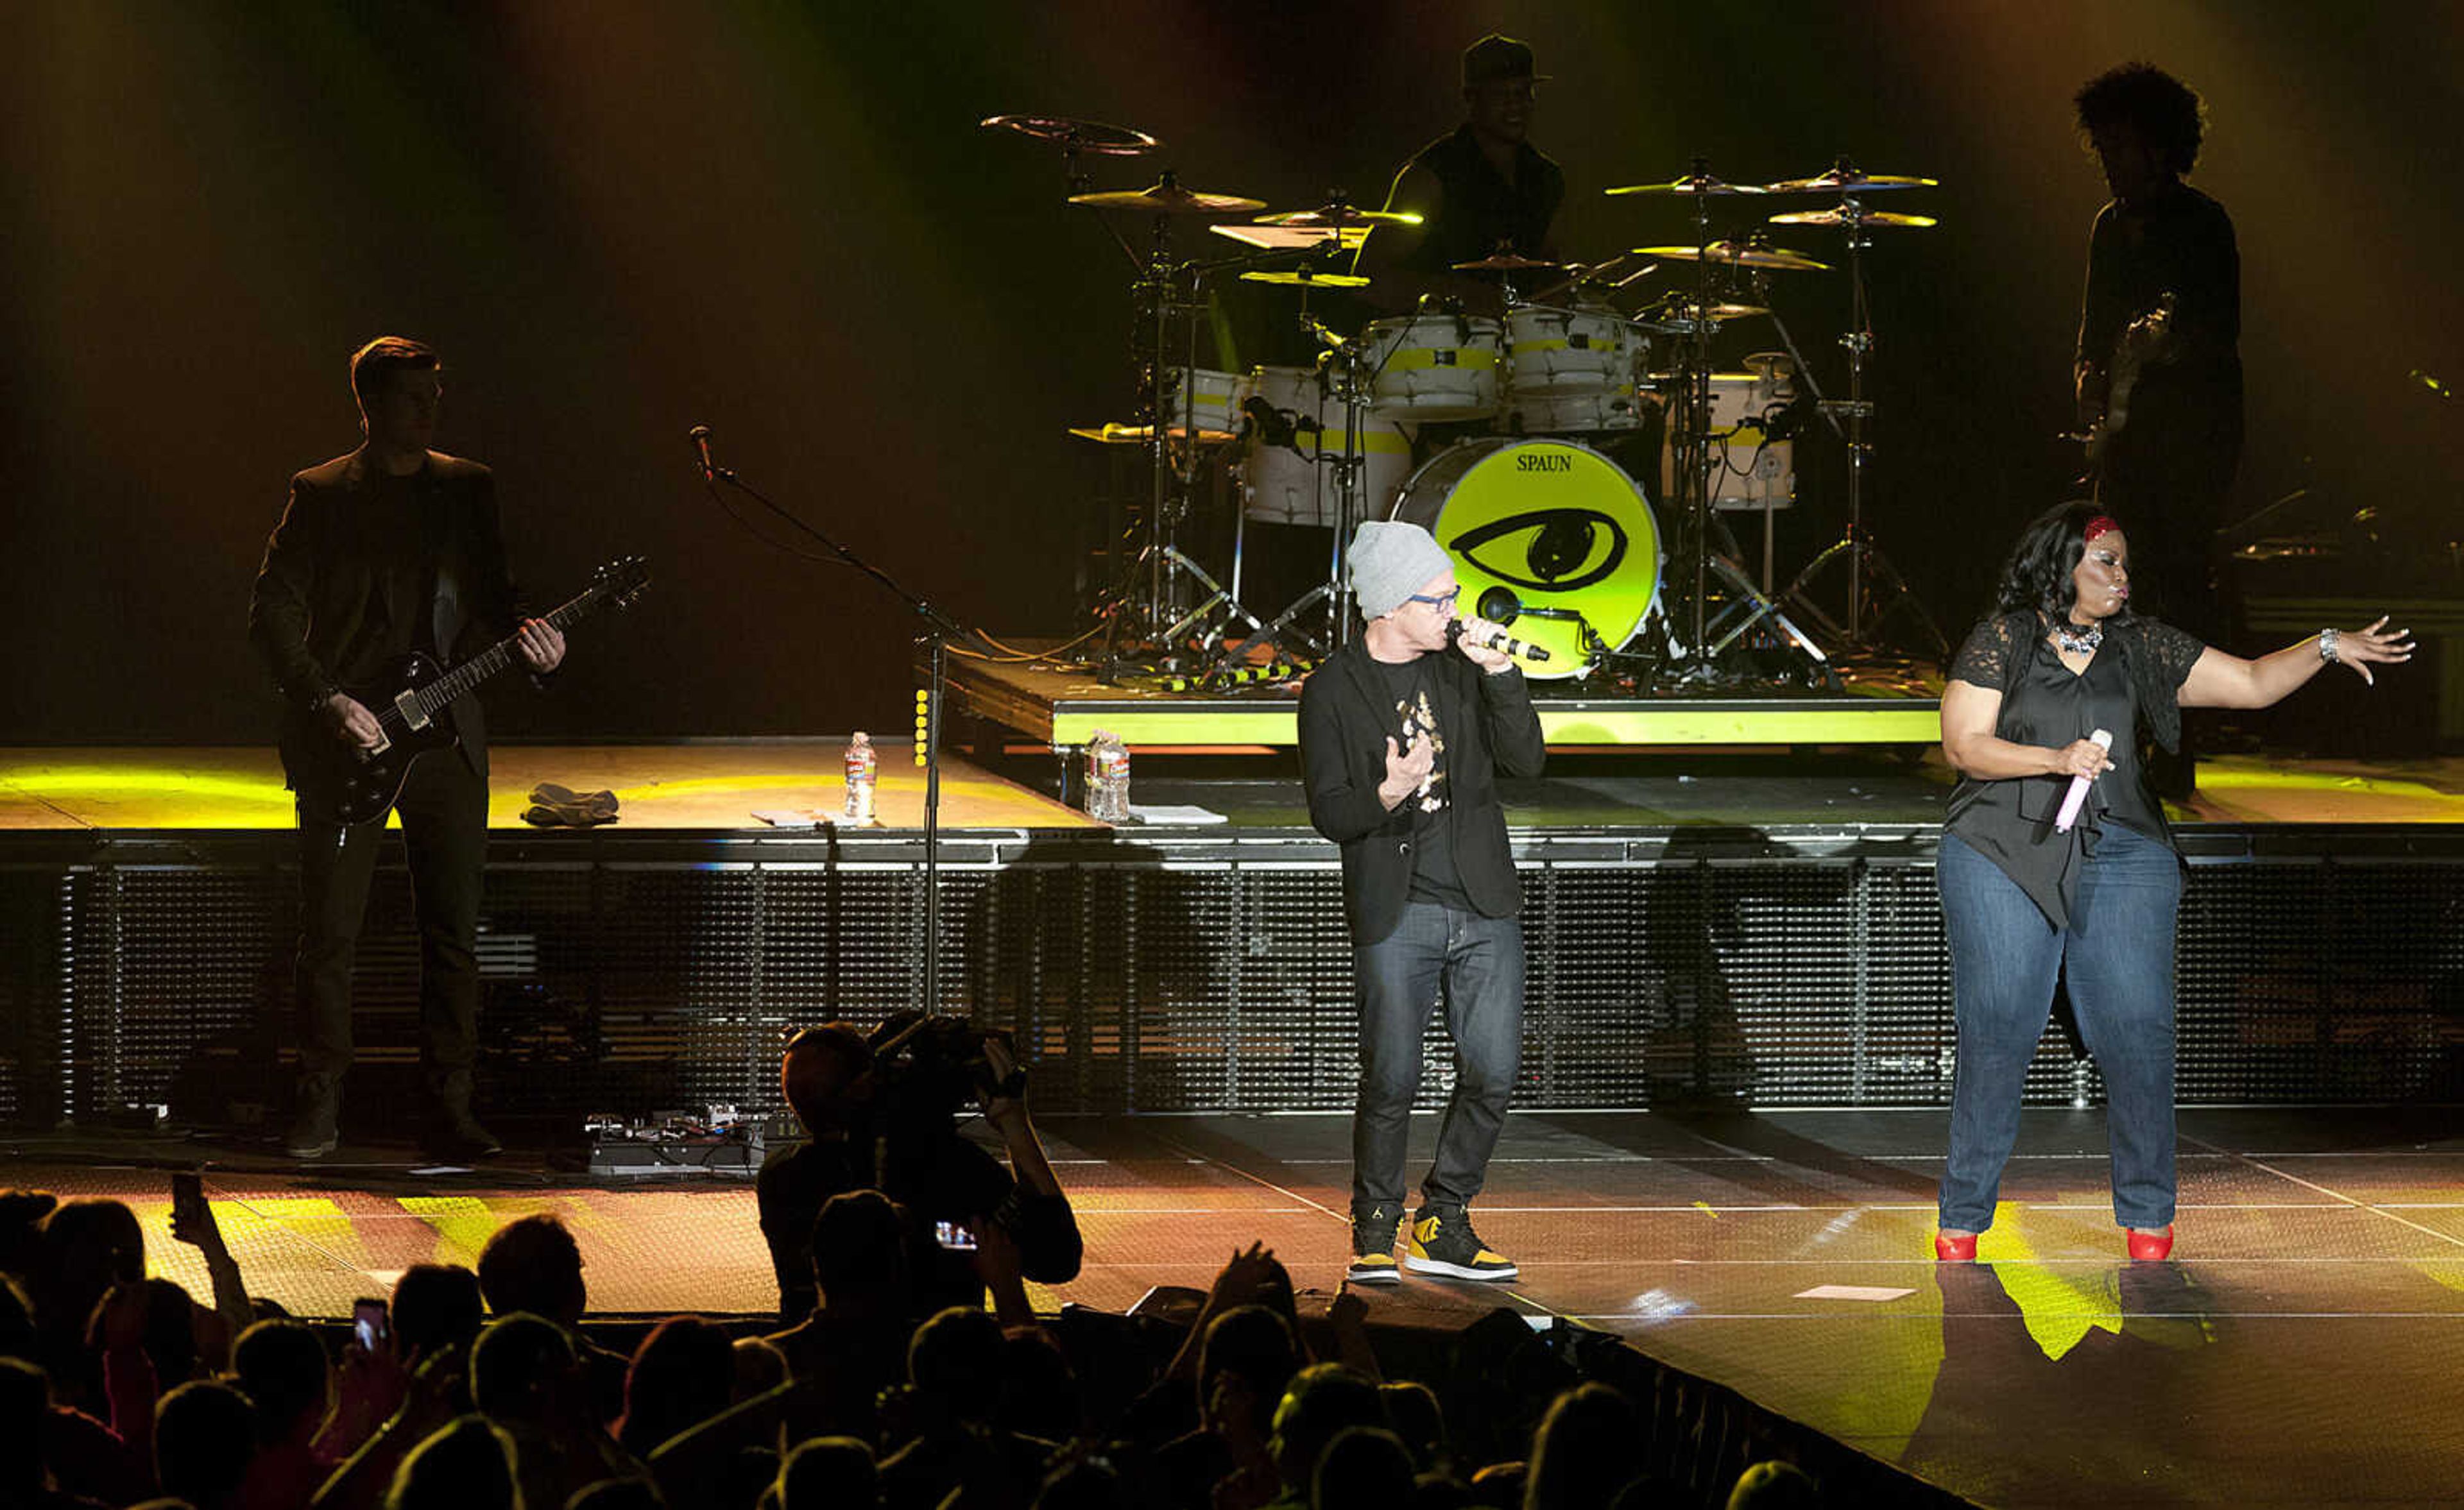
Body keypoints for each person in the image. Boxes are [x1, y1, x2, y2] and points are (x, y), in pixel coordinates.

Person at [1933, 501, 2411, 1262]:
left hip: (2122, 846)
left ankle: (2149, 1214)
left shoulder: (2142, 646)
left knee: (2139, 1030)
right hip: (2003, 846)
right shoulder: (2004, 640)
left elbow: (2252, 683)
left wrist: (2324, 644)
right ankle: (1962, 1215)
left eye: (2125, 562)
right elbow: (1965, 745)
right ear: (2062, 566)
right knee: (1999, 1027)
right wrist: (2055, 759)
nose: (2124, 576)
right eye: (2107, 562)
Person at [249, 336, 567, 1161]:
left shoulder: (467, 488)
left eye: (437, 392)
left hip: (447, 737)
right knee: (330, 937)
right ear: (371, 404)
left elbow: (499, 600)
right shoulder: (320, 494)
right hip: (349, 740)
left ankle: (449, 1105)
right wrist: (327, 700)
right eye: (414, 395)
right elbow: (272, 612)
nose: (431, 408)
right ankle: (319, 1106)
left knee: (455, 933)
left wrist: (536, 641)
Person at [1299, 520, 1546, 1283]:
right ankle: (1375, 1223)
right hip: (1397, 908)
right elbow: (1332, 811)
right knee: (1393, 1075)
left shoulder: (1464, 669)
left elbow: (1527, 762)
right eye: (1437, 599)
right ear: (1387, 606)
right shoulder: (1332, 690)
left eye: (1453, 597)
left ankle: (1446, 1215)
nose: (1453, 610)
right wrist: (1390, 790)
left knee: (1494, 1070)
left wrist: (1502, 675)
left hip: (1482, 900)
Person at [2069, 64, 2241, 794]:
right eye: (2101, 149)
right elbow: (2091, 328)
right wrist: (2090, 389)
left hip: (2193, 427)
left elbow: (2216, 333)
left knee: (2177, 579)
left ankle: (2178, 745)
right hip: (2128, 435)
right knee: (2117, 584)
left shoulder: (2204, 223)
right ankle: (2129, 737)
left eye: (2119, 148)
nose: (2109, 164)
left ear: (2160, 146)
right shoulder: (2109, 228)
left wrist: (2158, 350)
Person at [755, 1021, 1082, 1325]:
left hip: (823, 1371)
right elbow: (1056, 1258)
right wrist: (1014, 1123)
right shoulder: (954, 1170)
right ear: (865, 1086)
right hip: (942, 1369)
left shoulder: (781, 1177)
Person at [1356, 34, 1564, 316]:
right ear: (1471, 99)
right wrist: (1458, 292)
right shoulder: (1430, 176)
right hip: (1436, 348)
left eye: (1523, 92)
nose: (1515, 104)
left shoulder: (1546, 177)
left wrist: (1567, 284)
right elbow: (1368, 279)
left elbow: (1547, 267)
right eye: (1501, 94)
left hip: (1520, 347)